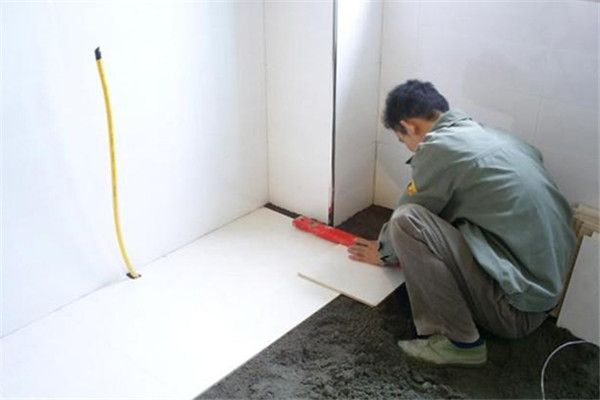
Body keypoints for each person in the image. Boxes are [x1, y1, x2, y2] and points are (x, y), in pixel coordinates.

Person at [347, 80, 576, 367]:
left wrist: (383, 251)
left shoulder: (439, 148)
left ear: (409, 126)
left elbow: (411, 211)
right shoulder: (496, 137)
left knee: (406, 222)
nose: (409, 148)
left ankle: (460, 342)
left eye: (403, 141)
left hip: (514, 313)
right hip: (544, 299)